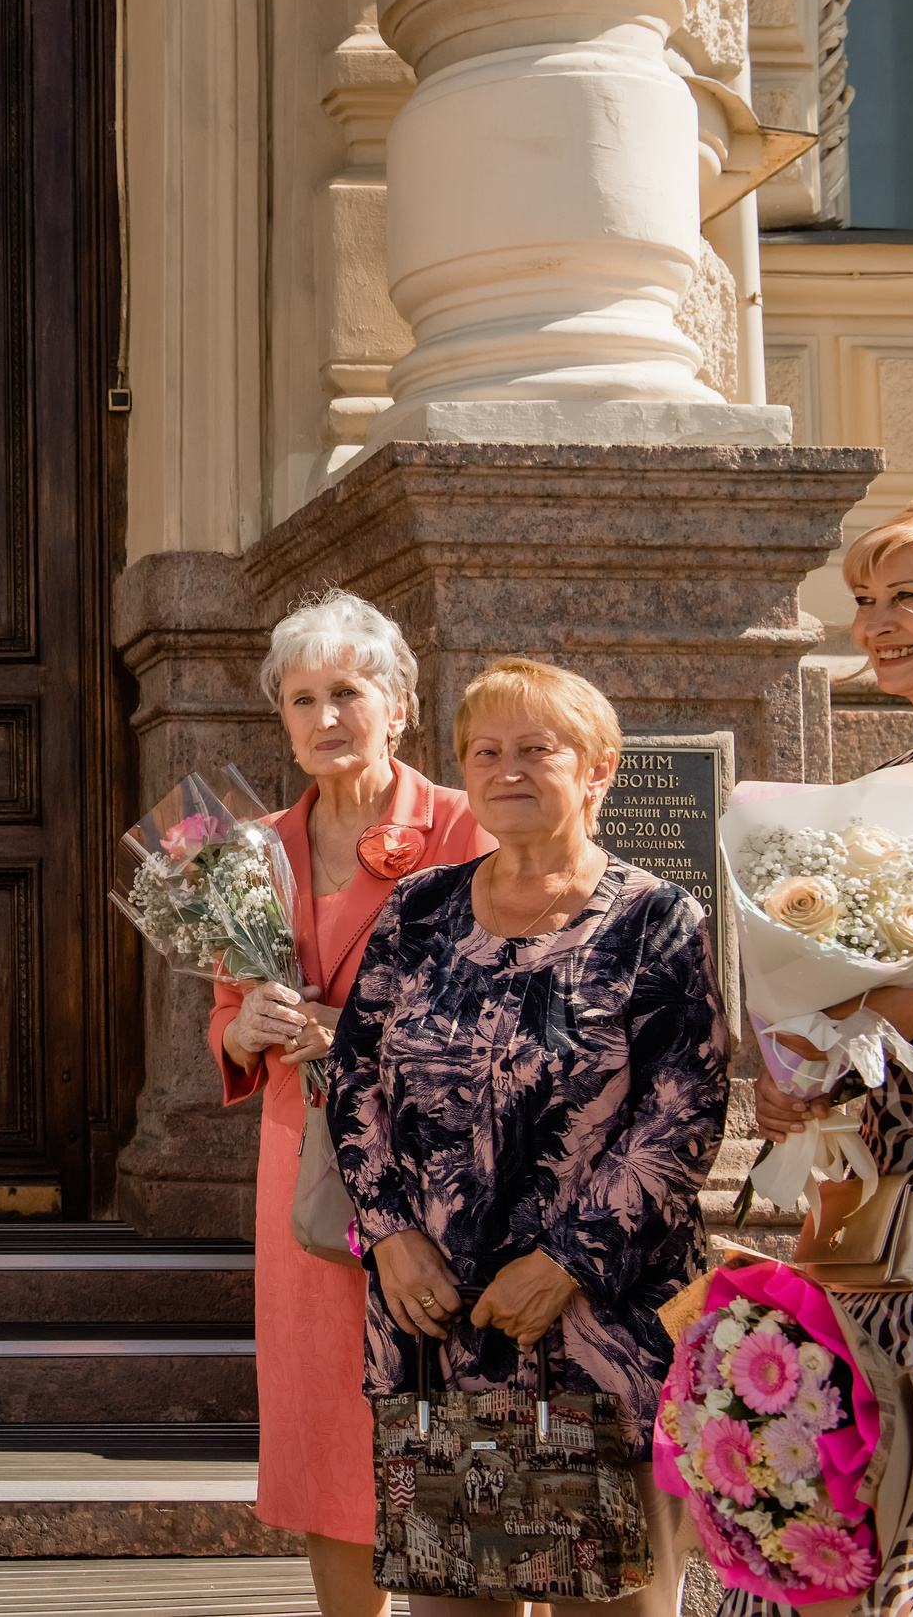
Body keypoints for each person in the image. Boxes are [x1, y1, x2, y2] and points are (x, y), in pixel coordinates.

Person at [327, 657, 728, 1617]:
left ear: (597, 768)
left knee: (612, 1601)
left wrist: (565, 1263)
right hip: (440, 1323)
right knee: (459, 1602)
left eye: (536, 749)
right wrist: (390, 1233)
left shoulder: (656, 919)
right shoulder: (418, 909)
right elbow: (352, 1080)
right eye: (485, 751)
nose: (506, 769)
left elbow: (682, 1113)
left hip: (599, 1330)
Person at [208, 591, 492, 1617]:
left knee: (455, 1420)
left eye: (347, 692)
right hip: (305, 1169)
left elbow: (503, 997)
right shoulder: (248, 847)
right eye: (301, 699)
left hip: (440, 1173)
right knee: (327, 1423)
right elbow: (226, 1013)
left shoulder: (462, 823)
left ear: (399, 705)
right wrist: (246, 1027)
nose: (324, 717)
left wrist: (356, 1033)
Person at [745, 490, 913, 1617]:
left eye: (910, 598)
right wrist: (803, 1072)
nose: (876, 623)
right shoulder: (901, 798)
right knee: (849, 1529)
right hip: (884, 1223)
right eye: (865, 600)